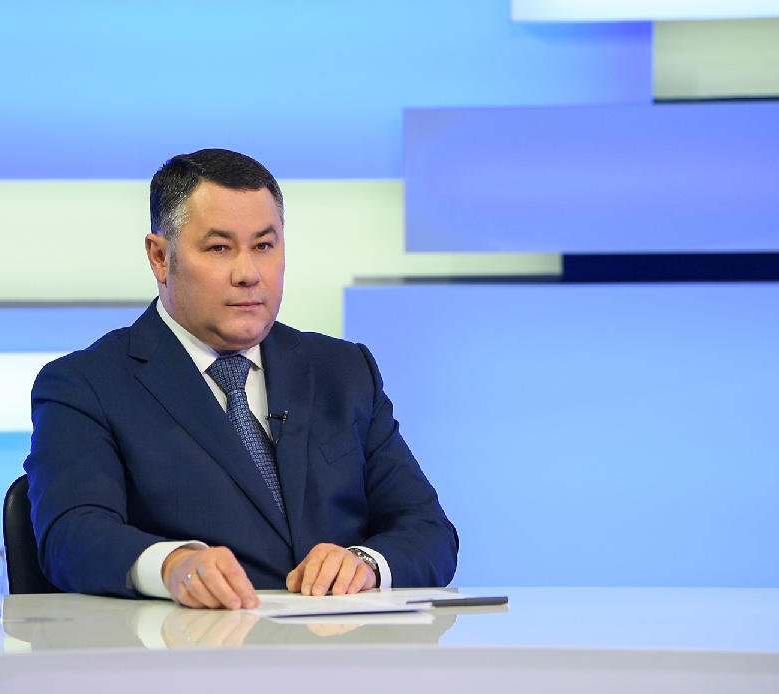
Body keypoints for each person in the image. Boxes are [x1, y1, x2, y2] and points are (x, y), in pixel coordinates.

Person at [25, 149, 458, 610]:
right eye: (219, 248)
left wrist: (365, 564)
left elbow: (428, 530)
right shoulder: (85, 385)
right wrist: (172, 565)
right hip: (190, 647)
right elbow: (71, 534)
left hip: (339, 644)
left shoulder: (344, 370)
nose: (248, 274)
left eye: (264, 246)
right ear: (160, 257)